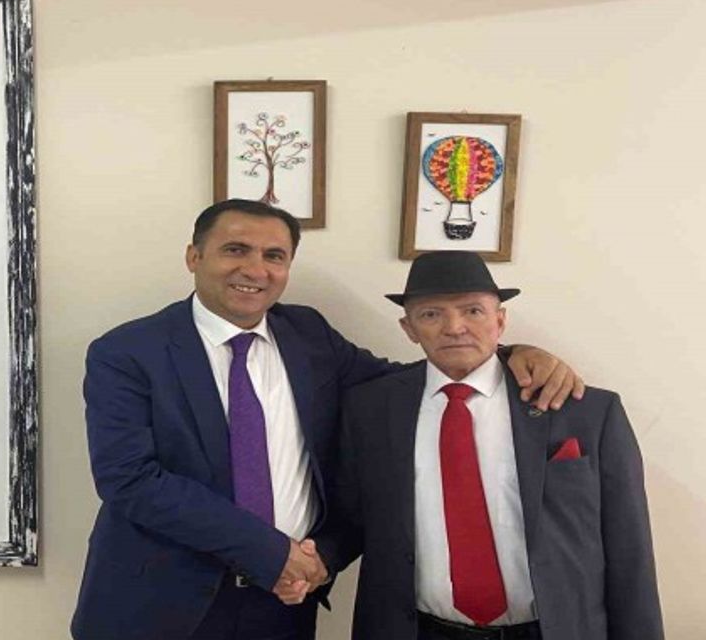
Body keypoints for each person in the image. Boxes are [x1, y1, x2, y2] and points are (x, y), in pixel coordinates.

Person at [71, 201, 583, 640]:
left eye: (274, 256)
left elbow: (402, 384)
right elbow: (129, 479)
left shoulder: (308, 334)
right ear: (194, 256)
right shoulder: (127, 352)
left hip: (285, 605)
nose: (255, 269)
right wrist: (271, 553)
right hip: (158, 605)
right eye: (235, 250)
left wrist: (507, 354)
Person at [313, 250, 661, 639]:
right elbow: (351, 515)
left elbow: (629, 548)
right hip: (420, 630)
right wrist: (315, 561)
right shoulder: (371, 410)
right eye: (431, 314)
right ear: (408, 328)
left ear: (500, 320)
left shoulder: (584, 410)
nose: (454, 327)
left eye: (473, 311)